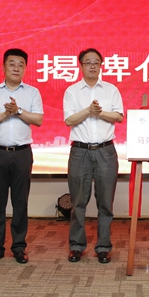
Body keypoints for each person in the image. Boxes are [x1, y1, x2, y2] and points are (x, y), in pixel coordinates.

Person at [0, 48, 44, 265]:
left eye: (20, 65)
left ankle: (19, 247)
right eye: (12, 64)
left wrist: (17, 111)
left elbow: (38, 120)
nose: (16, 68)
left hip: (22, 154)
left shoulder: (32, 92)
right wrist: (5, 114)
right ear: (4, 67)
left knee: (20, 203)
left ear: (25, 68)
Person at [63, 48, 124, 264]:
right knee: (78, 202)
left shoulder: (111, 89)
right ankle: (76, 246)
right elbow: (69, 120)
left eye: (96, 62)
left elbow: (119, 116)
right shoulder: (72, 91)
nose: (92, 66)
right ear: (80, 65)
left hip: (106, 151)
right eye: (88, 62)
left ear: (101, 65)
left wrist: (100, 113)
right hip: (80, 151)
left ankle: (103, 247)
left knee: (105, 202)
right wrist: (88, 111)